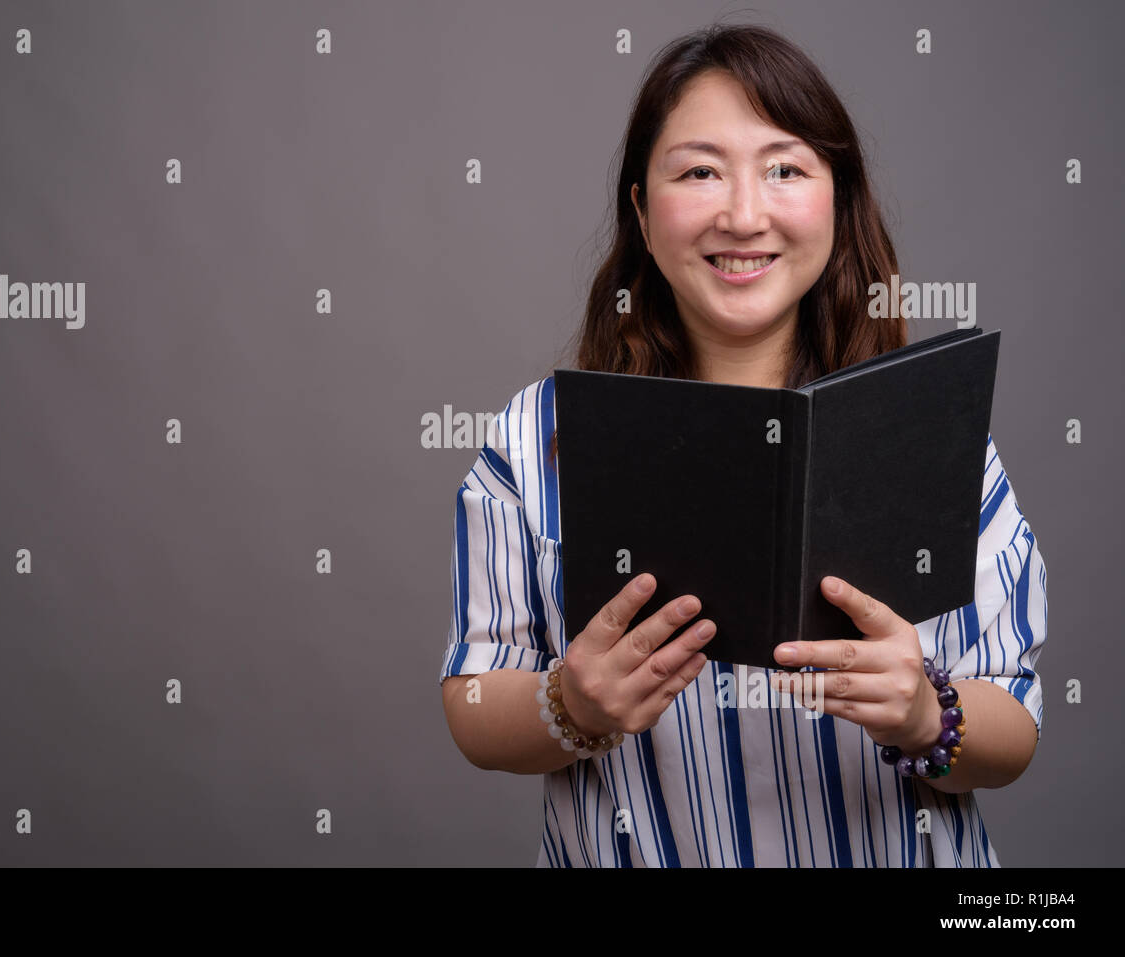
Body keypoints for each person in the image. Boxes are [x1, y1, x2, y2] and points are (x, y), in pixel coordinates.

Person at [438, 23, 1047, 867]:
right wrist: (571, 701)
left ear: (838, 200)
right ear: (643, 214)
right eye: (699, 171)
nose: (744, 214)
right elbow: (472, 697)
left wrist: (924, 713)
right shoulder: (533, 437)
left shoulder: (933, 436)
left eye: (786, 168)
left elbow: (1016, 724)